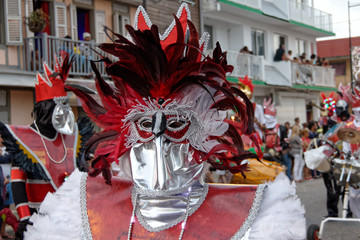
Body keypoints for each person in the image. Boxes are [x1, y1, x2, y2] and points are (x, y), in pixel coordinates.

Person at [24, 4, 305, 239]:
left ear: (204, 131)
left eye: (175, 126)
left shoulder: (256, 218)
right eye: (145, 126)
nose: (160, 146)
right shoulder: (82, 208)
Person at [0, 52, 93, 239]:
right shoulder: (25, 139)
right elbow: (18, 184)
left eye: (66, 105)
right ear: (45, 108)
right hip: (38, 219)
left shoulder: (72, 137)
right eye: (59, 105)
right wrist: (25, 218)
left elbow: (80, 174)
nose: (65, 112)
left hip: (70, 217)